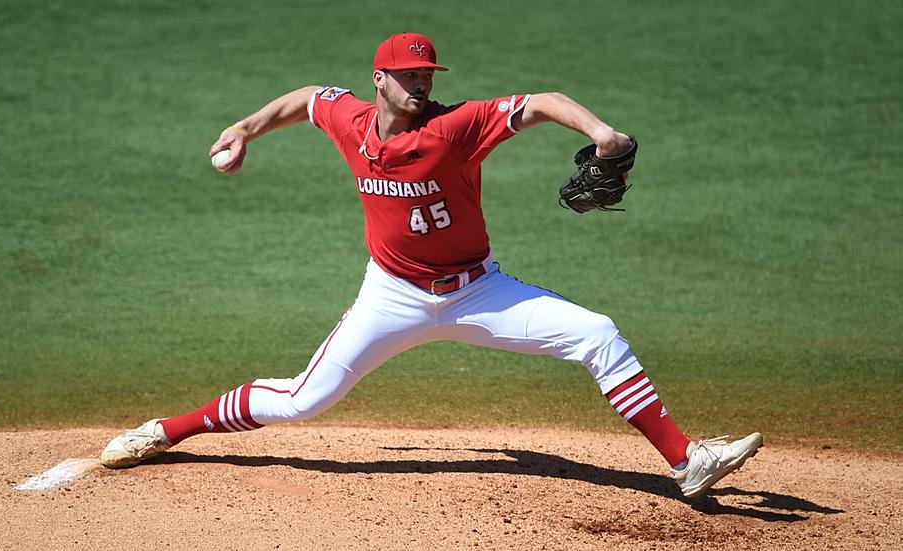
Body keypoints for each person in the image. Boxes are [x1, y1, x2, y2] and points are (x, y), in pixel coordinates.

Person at [100, 32, 762, 498]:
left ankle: (687, 460)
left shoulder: (455, 127)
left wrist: (602, 135)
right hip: (391, 297)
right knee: (303, 400)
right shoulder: (352, 120)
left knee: (598, 332)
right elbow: (305, 98)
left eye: (429, 75)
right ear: (380, 79)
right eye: (411, 75)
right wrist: (244, 128)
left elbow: (539, 101)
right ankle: (166, 430)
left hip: (480, 293)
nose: (422, 84)